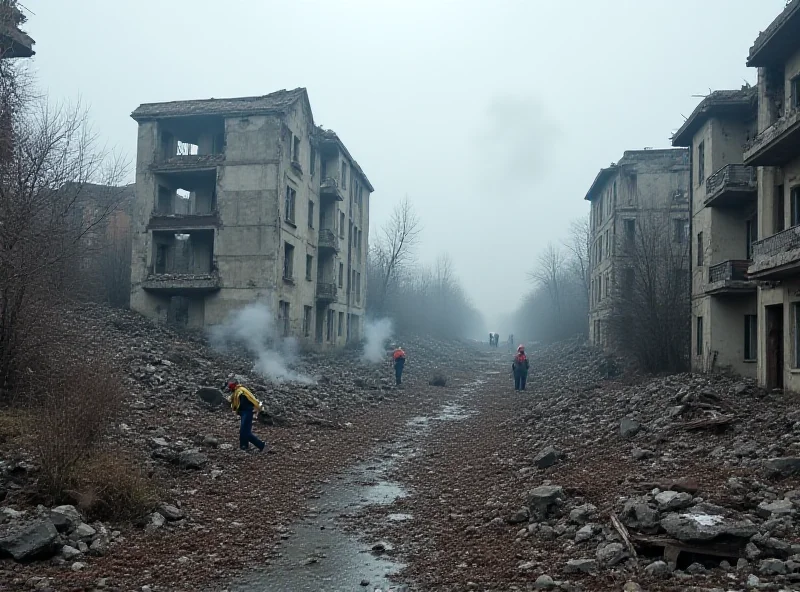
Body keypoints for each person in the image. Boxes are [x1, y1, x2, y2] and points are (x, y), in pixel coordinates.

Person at [225, 380, 267, 453]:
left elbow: (251, 399)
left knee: (245, 432)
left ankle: (262, 445)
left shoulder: (241, 391)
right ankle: (243, 446)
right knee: (243, 431)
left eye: (230, 387)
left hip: (247, 412)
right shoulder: (237, 391)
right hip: (244, 412)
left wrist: (259, 408)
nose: (230, 389)